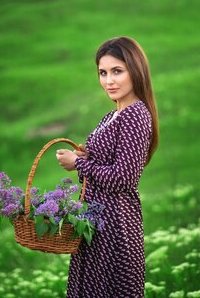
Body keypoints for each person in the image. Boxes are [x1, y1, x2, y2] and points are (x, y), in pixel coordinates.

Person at [56, 36, 159, 298]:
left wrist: (78, 163)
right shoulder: (114, 114)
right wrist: (87, 157)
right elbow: (109, 164)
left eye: (117, 71)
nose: (108, 81)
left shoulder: (136, 114)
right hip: (96, 223)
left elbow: (124, 179)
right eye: (103, 73)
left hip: (116, 227)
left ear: (135, 70)